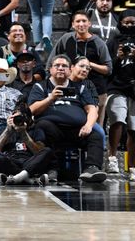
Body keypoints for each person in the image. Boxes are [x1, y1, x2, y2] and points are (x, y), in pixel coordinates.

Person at [28, 54, 107, 182]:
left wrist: (88, 125)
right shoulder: (41, 86)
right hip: (53, 130)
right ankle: (51, 168)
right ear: (50, 69)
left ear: (70, 69)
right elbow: (32, 109)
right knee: (42, 126)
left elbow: (92, 109)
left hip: (77, 130)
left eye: (64, 66)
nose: (60, 68)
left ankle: (91, 168)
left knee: (95, 134)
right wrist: (50, 98)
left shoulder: (80, 88)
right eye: (57, 65)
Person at [0, 98, 54, 185]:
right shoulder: (6, 130)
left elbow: (38, 152)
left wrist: (24, 133)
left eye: (20, 118)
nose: (18, 120)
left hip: (30, 162)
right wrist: (8, 131)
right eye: (15, 117)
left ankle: (16, 178)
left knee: (47, 151)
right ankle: (27, 178)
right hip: (12, 161)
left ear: (27, 118)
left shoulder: (36, 129)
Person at [106, 11, 135, 178]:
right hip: (116, 86)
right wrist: (117, 57)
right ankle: (112, 158)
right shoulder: (113, 41)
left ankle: (132, 167)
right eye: (126, 23)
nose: (129, 26)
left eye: (132, 23)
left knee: (134, 129)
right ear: (120, 23)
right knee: (117, 120)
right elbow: (107, 67)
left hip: (134, 88)